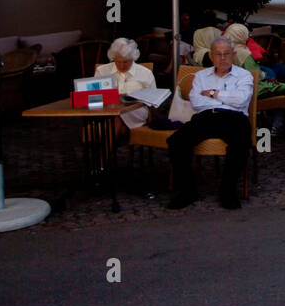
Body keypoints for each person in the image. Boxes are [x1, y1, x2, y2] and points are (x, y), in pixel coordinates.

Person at [167, 37, 254, 210]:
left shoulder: (244, 75)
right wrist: (225, 99)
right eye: (218, 54)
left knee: (240, 144)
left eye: (226, 54)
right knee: (176, 142)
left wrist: (213, 93)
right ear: (211, 56)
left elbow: (242, 100)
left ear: (234, 55)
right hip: (206, 117)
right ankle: (187, 191)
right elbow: (196, 101)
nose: (222, 58)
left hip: (234, 118)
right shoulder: (201, 76)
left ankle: (227, 191)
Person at [94, 38, 157, 135]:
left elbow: (153, 100)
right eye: (118, 62)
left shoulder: (145, 73)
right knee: (117, 117)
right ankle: (121, 133)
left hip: (136, 111)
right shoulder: (102, 71)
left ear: (133, 58)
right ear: (113, 58)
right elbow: (93, 96)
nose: (122, 66)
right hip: (108, 111)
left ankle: (106, 148)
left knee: (119, 115)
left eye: (126, 62)